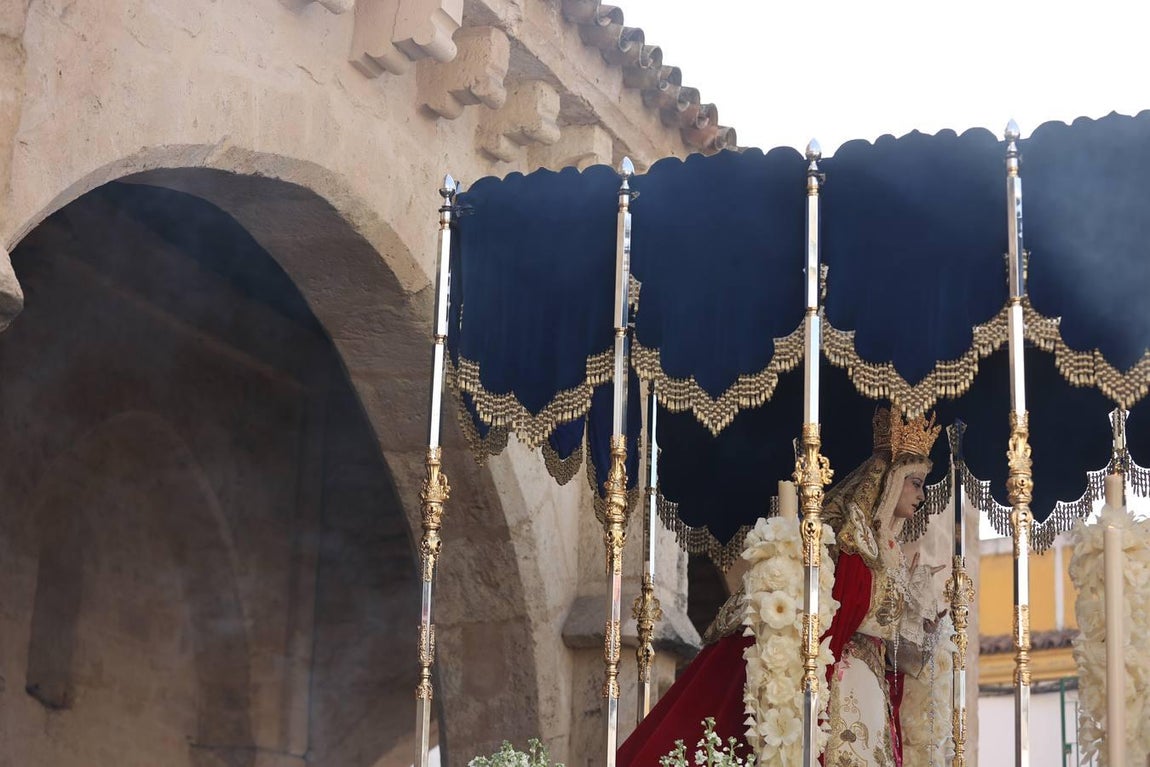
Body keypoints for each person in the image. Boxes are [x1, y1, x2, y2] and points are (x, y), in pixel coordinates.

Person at [617, 408, 947, 767]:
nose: (920, 495)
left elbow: (895, 643)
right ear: (891, 480)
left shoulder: (892, 555)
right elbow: (847, 613)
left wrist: (924, 624)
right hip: (843, 676)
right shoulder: (856, 542)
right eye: (915, 482)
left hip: (871, 682)